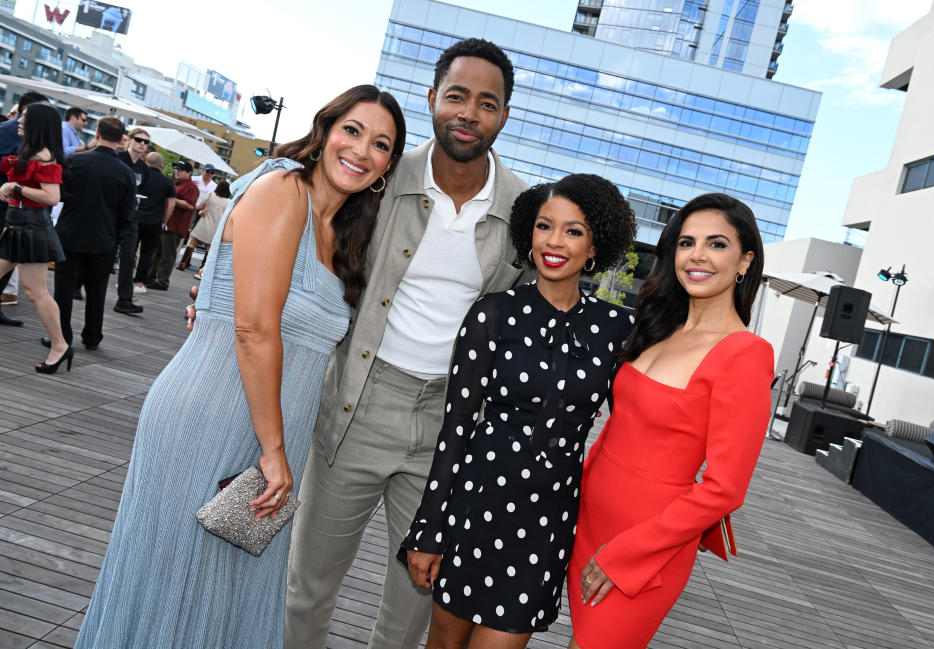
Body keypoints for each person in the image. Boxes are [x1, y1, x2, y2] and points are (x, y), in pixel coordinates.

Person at [73, 84, 406, 649]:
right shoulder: (283, 189)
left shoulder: (344, 233)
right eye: (352, 130)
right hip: (215, 420)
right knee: (173, 592)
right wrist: (274, 451)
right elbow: (254, 328)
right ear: (324, 131)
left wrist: (277, 449)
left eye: (381, 144)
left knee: (223, 600)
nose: (362, 149)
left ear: (387, 168)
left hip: (268, 440)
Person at [283, 39, 530, 649]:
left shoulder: (524, 209)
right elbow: (301, 237)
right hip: (357, 404)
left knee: (411, 610)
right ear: (432, 100)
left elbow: (534, 315)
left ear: (504, 114)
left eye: (487, 103)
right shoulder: (378, 177)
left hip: (452, 427)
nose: (469, 113)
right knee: (306, 588)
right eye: (456, 96)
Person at [400, 174, 637, 647]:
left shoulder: (617, 327)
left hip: (546, 518)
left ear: (595, 246)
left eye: (573, 230)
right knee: (444, 644)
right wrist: (427, 530)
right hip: (475, 503)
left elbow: (636, 423)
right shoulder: (493, 313)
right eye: (544, 226)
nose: (554, 241)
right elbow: (456, 429)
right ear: (528, 233)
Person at [567, 193, 774, 649]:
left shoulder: (745, 354)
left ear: (745, 261)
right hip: (586, 519)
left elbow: (724, 489)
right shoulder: (657, 324)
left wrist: (627, 553)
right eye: (686, 243)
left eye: (716, 244)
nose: (697, 255)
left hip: (644, 548)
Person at [51, 117, 136, 351]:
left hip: (69, 234)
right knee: (97, 291)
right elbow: (127, 214)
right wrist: (117, 239)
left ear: (97, 132)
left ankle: (61, 336)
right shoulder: (126, 174)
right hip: (104, 239)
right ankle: (92, 336)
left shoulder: (74, 161)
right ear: (121, 140)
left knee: (63, 290)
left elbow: (59, 195)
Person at [0, 102, 70, 372]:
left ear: (36, 124)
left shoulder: (43, 156)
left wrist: (14, 186)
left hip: (31, 230)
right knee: (35, 291)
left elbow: (52, 197)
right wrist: (11, 191)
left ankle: (60, 345)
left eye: (24, 118)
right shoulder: (31, 152)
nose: (18, 120)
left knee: (36, 292)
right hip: (18, 226)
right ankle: (60, 344)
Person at [0, 91, 49, 328]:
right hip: (7, 209)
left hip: (21, 216)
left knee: (33, 287)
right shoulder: (4, 132)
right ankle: (60, 345)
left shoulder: (40, 145)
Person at [113, 127, 150, 314]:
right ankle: (77, 286)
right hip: (111, 214)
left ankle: (124, 299)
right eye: (138, 139)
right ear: (130, 140)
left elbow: (142, 190)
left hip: (131, 217)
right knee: (100, 252)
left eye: (146, 142)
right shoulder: (118, 159)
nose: (142, 144)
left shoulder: (144, 169)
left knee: (128, 258)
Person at [144, 159, 196, 290]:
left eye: (181, 170)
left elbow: (189, 205)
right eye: (176, 169)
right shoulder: (175, 183)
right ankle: (149, 278)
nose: (177, 171)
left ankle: (162, 282)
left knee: (167, 256)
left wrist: (172, 198)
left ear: (189, 172)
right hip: (165, 222)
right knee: (156, 253)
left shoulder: (192, 187)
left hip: (175, 225)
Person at [131, 152, 175, 295]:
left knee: (130, 251)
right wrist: (165, 221)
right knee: (147, 253)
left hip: (136, 218)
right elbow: (171, 204)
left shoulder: (138, 177)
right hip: (154, 221)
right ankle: (139, 282)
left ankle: (124, 279)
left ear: (146, 161)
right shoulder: (167, 182)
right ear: (161, 165)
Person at [180, 179, 230, 274]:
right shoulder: (228, 202)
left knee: (192, 244)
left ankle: (183, 263)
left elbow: (199, 207)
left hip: (203, 225)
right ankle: (203, 269)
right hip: (215, 228)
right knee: (209, 249)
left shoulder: (210, 196)